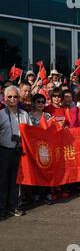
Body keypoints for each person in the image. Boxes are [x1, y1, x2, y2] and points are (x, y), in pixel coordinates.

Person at [0, 86, 31, 221]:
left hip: (19, 152)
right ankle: (2, 209)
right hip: (4, 151)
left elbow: (31, 133)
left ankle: (13, 207)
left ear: (19, 98)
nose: (13, 99)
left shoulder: (24, 114)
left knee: (15, 181)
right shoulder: (0, 114)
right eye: (10, 97)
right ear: (5, 99)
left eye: (15, 97)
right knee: (2, 181)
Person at [28, 94, 54, 205]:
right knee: (35, 172)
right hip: (33, 148)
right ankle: (36, 195)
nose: (41, 104)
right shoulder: (28, 116)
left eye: (43, 102)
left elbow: (53, 131)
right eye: (38, 101)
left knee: (46, 171)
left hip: (46, 148)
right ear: (33, 103)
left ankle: (47, 194)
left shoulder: (48, 116)